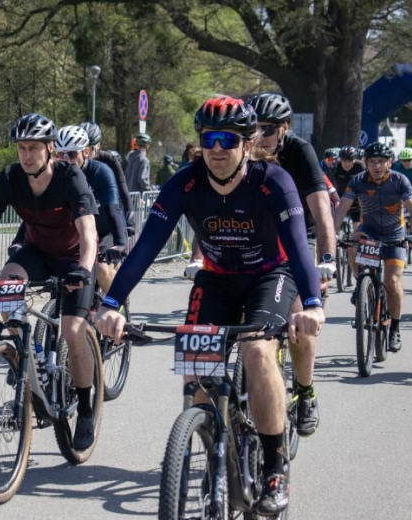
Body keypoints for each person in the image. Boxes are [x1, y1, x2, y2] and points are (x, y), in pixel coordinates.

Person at [96, 96, 324, 515]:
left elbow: (297, 246)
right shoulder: (184, 183)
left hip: (270, 277)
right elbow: (145, 249)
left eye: (228, 140)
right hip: (216, 279)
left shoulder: (273, 180)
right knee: (197, 375)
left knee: (257, 352)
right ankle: (208, 443)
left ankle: (275, 464)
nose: (217, 149)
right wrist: (111, 302)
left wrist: (311, 302)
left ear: (248, 142)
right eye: (208, 139)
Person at [0, 113, 100, 451]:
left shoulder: (70, 176)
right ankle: (30, 357)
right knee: (3, 292)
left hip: (74, 260)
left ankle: (86, 409)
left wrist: (85, 269)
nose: (26, 155)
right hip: (35, 253)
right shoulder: (11, 178)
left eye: (33, 148)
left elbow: (88, 231)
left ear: (49, 149)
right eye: (20, 148)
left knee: (73, 330)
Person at [247, 91, 336, 439]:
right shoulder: (244, 148)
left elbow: (322, 210)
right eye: (252, 128)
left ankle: (305, 391)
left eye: (267, 130)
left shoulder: (299, 152)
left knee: (300, 314)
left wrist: (326, 261)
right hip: (257, 235)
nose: (258, 137)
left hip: (300, 233)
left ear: (284, 128)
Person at [332, 142, 412, 352]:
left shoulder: (400, 180)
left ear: (389, 162)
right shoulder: (358, 181)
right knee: (352, 242)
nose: (376, 166)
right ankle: (360, 283)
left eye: (381, 161)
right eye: (372, 161)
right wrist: (333, 233)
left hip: (395, 234)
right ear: (365, 163)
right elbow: (341, 209)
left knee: (392, 280)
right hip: (369, 231)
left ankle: (395, 328)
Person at [52, 125, 127, 293]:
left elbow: (113, 208)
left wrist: (120, 244)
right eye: (60, 154)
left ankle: (114, 303)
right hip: (78, 232)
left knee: (100, 267)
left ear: (85, 152)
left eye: (71, 154)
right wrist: (19, 241)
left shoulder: (101, 172)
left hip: (104, 228)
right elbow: (39, 210)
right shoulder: (55, 174)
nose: (66, 160)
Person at [79, 121, 136, 232]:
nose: (84, 154)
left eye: (88, 149)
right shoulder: (75, 161)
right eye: (81, 149)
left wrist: (130, 221)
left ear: (97, 146)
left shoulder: (110, 160)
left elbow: (123, 191)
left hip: (106, 214)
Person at [330, 146, 365, 232]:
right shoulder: (336, 167)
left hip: (356, 197)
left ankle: (357, 239)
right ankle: (334, 237)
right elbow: (329, 181)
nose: (347, 164)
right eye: (344, 161)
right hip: (340, 196)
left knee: (357, 220)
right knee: (334, 219)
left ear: (354, 160)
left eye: (350, 161)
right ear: (340, 160)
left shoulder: (360, 166)